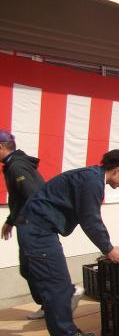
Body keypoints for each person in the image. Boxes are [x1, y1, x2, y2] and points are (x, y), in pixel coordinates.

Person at [16, 148, 119, 336]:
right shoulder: (92, 182)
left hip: (37, 229)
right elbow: (90, 219)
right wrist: (108, 249)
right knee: (58, 289)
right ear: (118, 170)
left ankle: (69, 333)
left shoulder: (91, 176)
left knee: (60, 286)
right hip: (38, 232)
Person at [0, 129, 84, 321]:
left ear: (2, 147)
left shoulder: (17, 167)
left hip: (35, 228)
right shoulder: (13, 165)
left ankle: (68, 295)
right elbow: (19, 199)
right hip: (27, 224)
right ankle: (49, 305)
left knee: (42, 269)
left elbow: (34, 196)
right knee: (28, 269)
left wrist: (33, 225)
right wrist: (10, 221)